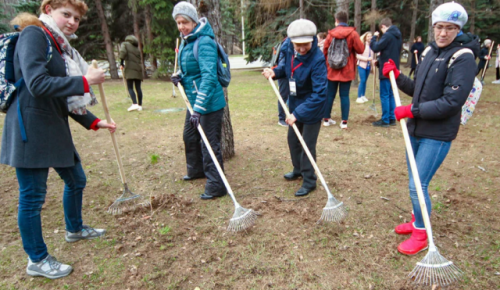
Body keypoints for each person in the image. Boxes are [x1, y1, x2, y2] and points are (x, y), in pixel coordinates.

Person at [1, 0, 116, 279]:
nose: (72, 22)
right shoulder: (35, 34)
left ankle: (74, 229)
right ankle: (37, 259)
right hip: (30, 128)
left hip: (53, 126)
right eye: (67, 14)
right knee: (32, 197)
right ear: (49, 8)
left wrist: (93, 121)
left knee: (77, 179)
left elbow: (62, 99)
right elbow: (38, 84)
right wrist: (86, 81)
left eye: (76, 18)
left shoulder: (60, 46)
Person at [384, 2, 478, 255]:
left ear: (458, 30)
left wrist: (411, 111)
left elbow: (451, 102)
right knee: (415, 182)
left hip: (437, 133)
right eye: (439, 27)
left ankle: (421, 232)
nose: (443, 33)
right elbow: (419, 91)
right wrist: (397, 76)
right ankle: (417, 221)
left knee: (418, 185)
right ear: (433, 27)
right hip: (416, 129)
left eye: (450, 28)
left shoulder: (464, 58)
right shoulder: (430, 52)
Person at [262, 19, 327, 197]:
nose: (302, 49)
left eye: (305, 45)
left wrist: (297, 114)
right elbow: (286, 67)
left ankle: (309, 180)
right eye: (298, 45)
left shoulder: (318, 60)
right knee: (293, 141)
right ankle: (298, 169)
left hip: (312, 108)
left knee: (307, 145)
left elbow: (320, 93)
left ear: (312, 40)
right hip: (296, 103)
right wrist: (275, 72)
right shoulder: (290, 48)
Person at [170, 1, 227, 200]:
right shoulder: (187, 41)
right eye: (178, 23)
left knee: (209, 144)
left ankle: (217, 185)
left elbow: (209, 78)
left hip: (208, 104)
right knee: (189, 136)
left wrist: (199, 108)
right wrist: (179, 77)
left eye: (184, 22)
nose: (181, 27)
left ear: (194, 21)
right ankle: (196, 171)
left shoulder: (204, 42)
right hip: (194, 102)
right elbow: (191, 72)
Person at [322, 11, 364, 129]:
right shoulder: (353, 34)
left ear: (336, 20)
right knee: (344, 95)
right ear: (346, 20)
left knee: (329, 95)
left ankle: (326, 119)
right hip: (347, 69)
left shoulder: (331, 34)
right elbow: (360, 50)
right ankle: (344, 122)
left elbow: (325, 51)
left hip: (332, 70)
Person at [370, 17, 402, 127]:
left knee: (384, 95)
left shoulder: (388, 35)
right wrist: (379, 62)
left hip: (386, 70)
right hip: (394, 68)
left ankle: (385, 119)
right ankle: (392, 117)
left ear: (383, 26)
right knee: (391, 94)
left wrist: (374, 37)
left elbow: (375, 47)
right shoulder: (397, 36)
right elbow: (390, 52)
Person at [119, 35, 144, 112]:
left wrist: (121, 63)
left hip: (130, 69)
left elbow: (123, 52)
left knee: (130, 87)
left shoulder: (125, 44)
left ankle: (134, 104)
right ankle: (140, 105)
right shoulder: (136, 48)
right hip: (138, 69)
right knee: (138, 88)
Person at [356, 31, 374, 104]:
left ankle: (363, 95)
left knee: (365, 81)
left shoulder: (371, 46)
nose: (370, 37)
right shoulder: (362, 45)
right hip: (361, 65)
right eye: (368, 36)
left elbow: (372, 57)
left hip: (368, 66)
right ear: (365, 37)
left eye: (371, 36)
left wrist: (372, 67)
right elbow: (357, 56)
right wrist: (366, 59)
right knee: (362, 80)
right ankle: (359, 97)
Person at [276, 37, 291, 127]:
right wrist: (281, 72)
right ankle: (281, 119)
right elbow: (283, 60)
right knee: (283, 95)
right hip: (284, 74)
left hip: (291, 73)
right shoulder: (287, 42)